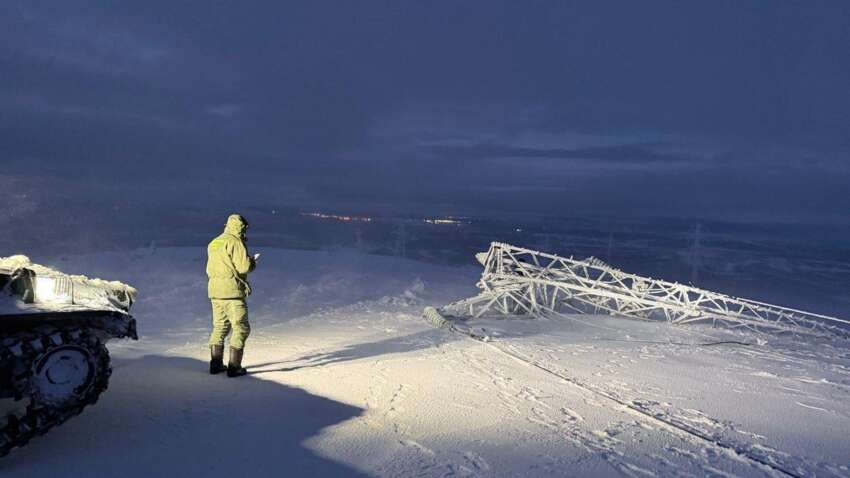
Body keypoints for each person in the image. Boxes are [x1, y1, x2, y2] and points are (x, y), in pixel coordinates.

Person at [206, 214, 258, 377]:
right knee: (241, 327)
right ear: (241, 227)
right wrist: (252, 262)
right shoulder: (235, 242)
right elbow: (243, 267)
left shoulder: (214, 242)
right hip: (232, 292)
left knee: (220, 326)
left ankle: (215, 365)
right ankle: (234, 367)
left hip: (215, 292)